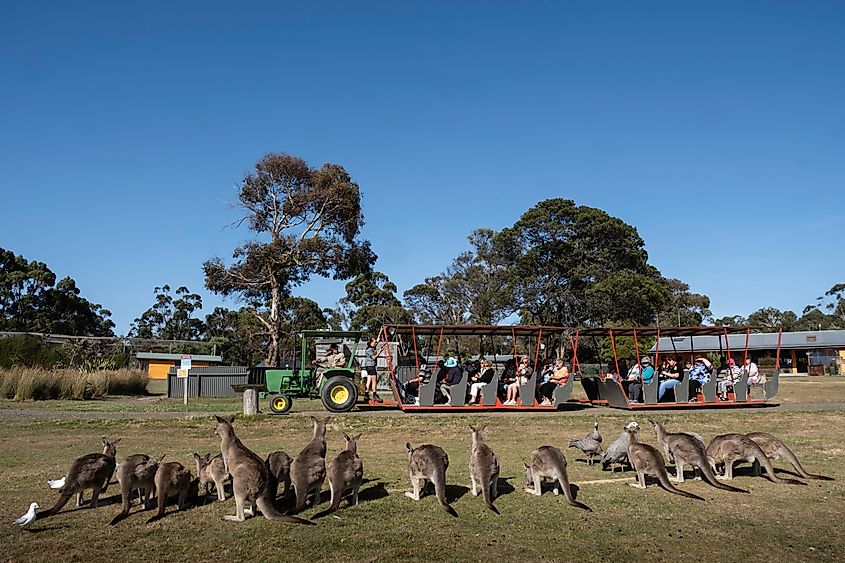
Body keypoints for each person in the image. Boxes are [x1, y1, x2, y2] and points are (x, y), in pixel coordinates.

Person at [361, 337, 384, 403]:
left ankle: (366, 395)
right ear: (371, 342)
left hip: (368, 366)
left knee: (369, 380)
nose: (376, 343)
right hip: (371, 366)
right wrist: (380, 351)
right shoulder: (369, 349)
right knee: (374, 381)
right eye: (374, 342)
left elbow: (378, 339)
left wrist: (380, 331)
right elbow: (374, 357)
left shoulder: (372, 348)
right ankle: (374, 395)